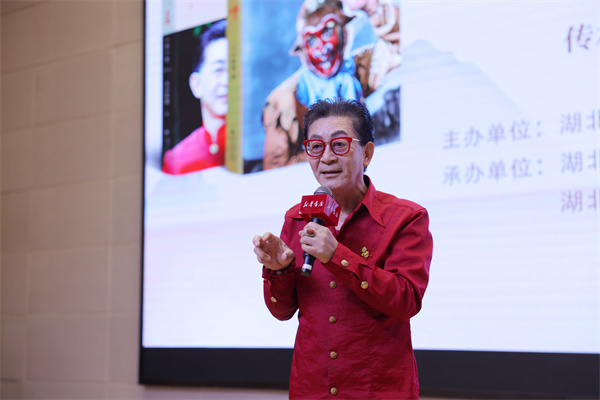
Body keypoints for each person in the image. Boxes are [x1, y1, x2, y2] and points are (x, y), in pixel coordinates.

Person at [253, 98, 433, 399]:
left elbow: (406, 301)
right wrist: (279, 270)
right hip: (312, 388)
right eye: (315, 146)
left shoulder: (405, 218)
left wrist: (336, 255)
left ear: (367, 153)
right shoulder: (297, 218)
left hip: (378, 389)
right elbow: (282, 311)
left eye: (339, 145)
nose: (326, 158)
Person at [162, 20, 228, 175]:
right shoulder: (176, 160)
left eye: (233, 69)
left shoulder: (261, 146)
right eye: (218, 70)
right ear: (196, 85)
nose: (226, 81)